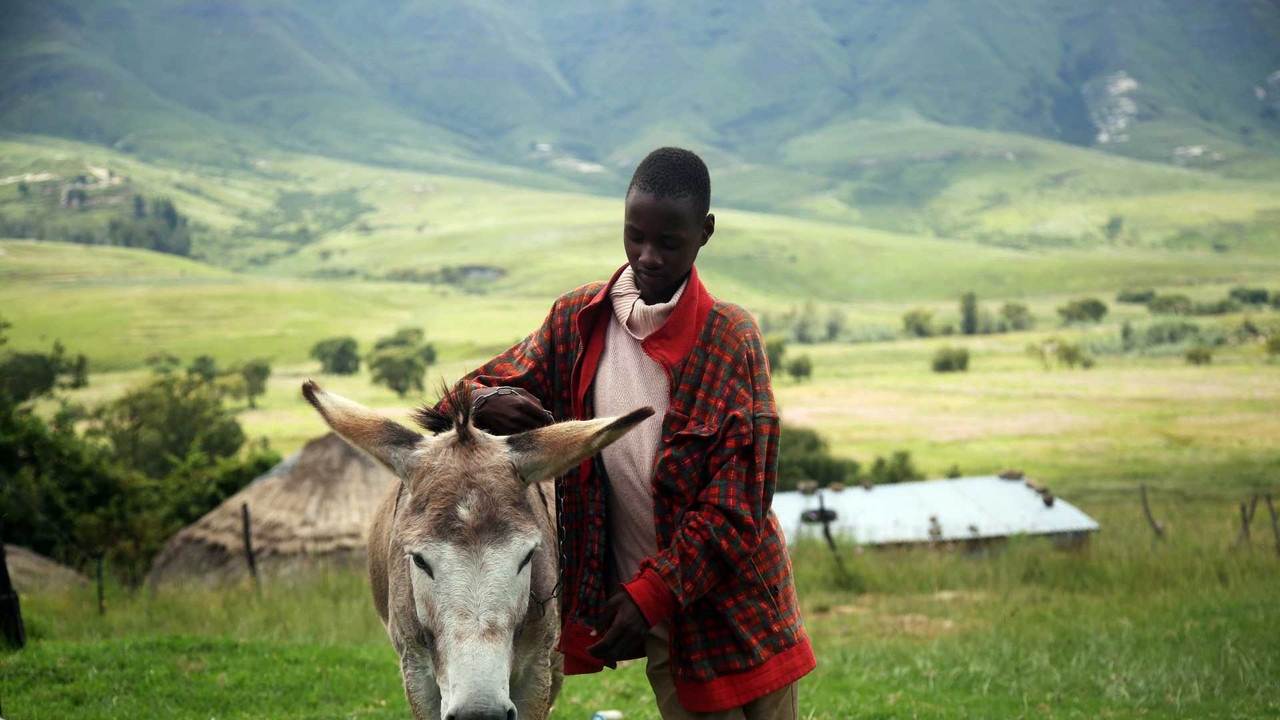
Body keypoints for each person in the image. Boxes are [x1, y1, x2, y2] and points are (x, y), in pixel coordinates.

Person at [455, 147, 815, 718]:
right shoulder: (578, 322)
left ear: (705, 233)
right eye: (634, 236)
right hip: (660, 617)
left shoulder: (730, 339)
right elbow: (463, 393)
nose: (648, 256)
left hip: (742, 609)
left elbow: (737, 507)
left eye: (668, 242)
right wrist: (486, 401)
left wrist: (651, 595)